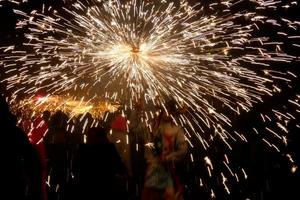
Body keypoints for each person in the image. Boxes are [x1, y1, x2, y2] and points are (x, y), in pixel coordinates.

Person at [142, 100, 188, 200]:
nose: (166, 112)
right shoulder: (154, 127)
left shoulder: (177, 129)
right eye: (164, 109)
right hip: (154, 168)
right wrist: (151, 157)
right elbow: (148, 143)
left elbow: (183, 149)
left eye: (169, 110)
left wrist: (169, 157)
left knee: (169, 195)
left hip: (169, 168)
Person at [0, 95, 42, 200]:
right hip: (15, 182)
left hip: (13, 182)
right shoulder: (15, 132)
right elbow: (33, 161)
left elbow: (32, 160)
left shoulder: (14, 133)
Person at [77, 127, 128, 199]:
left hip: (87, 187)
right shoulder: (108, 148)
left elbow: (77, 168)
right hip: (107, 186)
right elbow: (119, 167)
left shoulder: (83, 150)